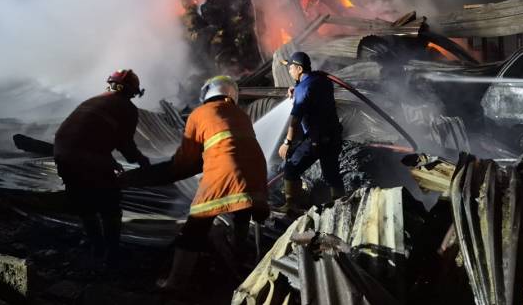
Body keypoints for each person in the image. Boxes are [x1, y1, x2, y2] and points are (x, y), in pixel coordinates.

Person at [157, 75, 268, 290]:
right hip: (257, 178)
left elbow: (185, 159)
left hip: (224, 175)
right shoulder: (241, 115)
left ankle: (175, 283)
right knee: (242, 210)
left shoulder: (199, 113)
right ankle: (239, 259)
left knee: (194, 228)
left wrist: (163, 173)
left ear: (207, 93)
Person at [54, 69, 150, 264]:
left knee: (85, 204)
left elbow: (86, 135)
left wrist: (109, 161)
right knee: (110, 204)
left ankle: (96, 248)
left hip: (62, 155)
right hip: (86, 158)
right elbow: (125, 144)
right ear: (131, 91)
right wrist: (142, 161)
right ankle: (112, 254)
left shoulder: (93, 101)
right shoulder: (127, 108)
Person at [276, 51, 344, 214]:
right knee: (332, 174)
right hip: (333, 135)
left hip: (316, 139)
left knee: (291, 168)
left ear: (299, 69)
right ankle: (341, 206)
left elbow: (295, 120)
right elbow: (313, 92)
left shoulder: (303, 89)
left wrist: (287, 142)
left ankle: (292, 206)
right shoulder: (322, 80)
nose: (289, 71)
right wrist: (297, 88)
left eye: (291, 68)